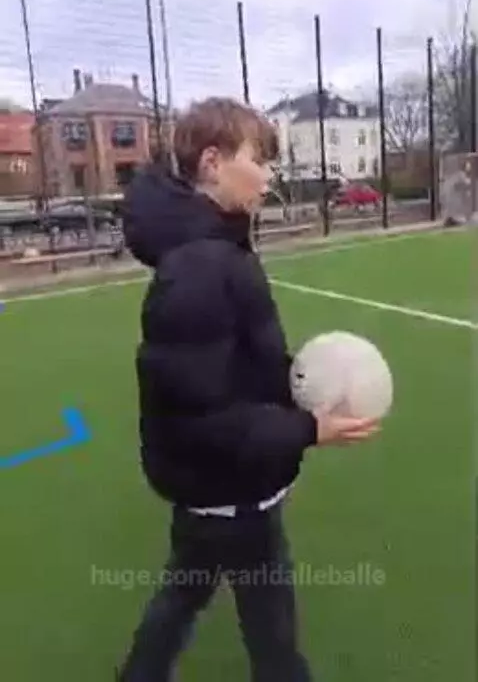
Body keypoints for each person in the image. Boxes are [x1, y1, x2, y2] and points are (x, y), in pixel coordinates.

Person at [117, 97, 380, 681]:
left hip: (215, 492)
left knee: (184, 595)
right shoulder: (202, 266)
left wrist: (302, 381)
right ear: (213, 163)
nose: (269, 175)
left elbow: (231, 370)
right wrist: (309, 428)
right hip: (232, 495)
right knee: (274, 638)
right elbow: (200, 418)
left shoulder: (216, 250)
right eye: (258, 159)